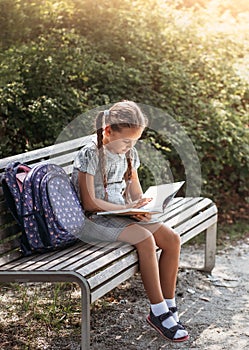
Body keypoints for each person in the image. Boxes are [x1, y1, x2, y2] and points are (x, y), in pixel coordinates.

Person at [71, 101, 189, 342]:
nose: (129, 147)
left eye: (134, 142)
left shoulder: (128, 153)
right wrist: (127, 209)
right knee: (145, 239)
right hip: (95, 221)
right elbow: (90, 203)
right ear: (108, 131)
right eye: (125, 141)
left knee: (171, 239)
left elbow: (136, 194)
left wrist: (146, 207)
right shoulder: (91, 153)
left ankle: (169, 304)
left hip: (121, 215)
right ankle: (157, 312)